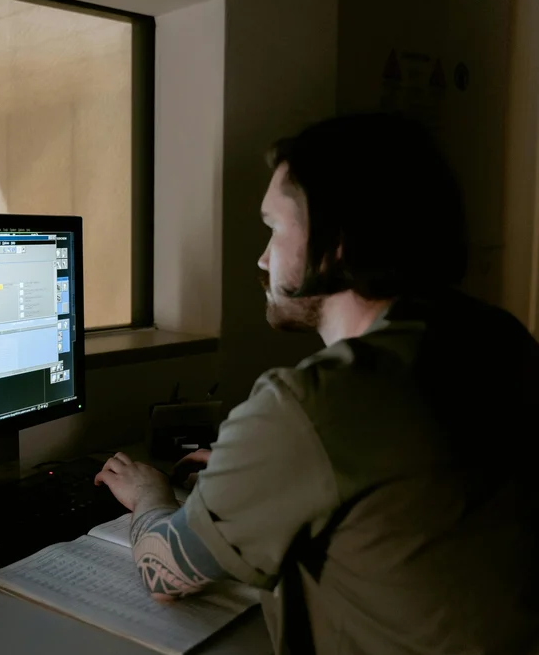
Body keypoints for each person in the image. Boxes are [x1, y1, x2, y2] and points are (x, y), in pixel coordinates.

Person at [95, 113, 539, 654]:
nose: (262, 257)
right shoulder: (498, 335)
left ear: (338, 243)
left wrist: (150, 493)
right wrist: (257, 467)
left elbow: (163, 573)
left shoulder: (311, 403)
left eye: (274, 228)